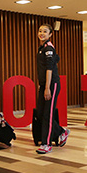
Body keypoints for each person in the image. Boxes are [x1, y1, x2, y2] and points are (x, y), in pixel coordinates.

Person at [35, 24, 69, 155]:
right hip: (45, 84)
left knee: (48, 114)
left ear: (50, 34)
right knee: (40, 113)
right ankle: (61, 131)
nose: (41, 33)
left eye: (45, 31)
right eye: (40, 31)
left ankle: (46, 143)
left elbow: (49, 69)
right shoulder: (42, 48)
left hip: (52, 84)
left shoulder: (49, 48)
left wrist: (47, 87)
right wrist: (42, 85)